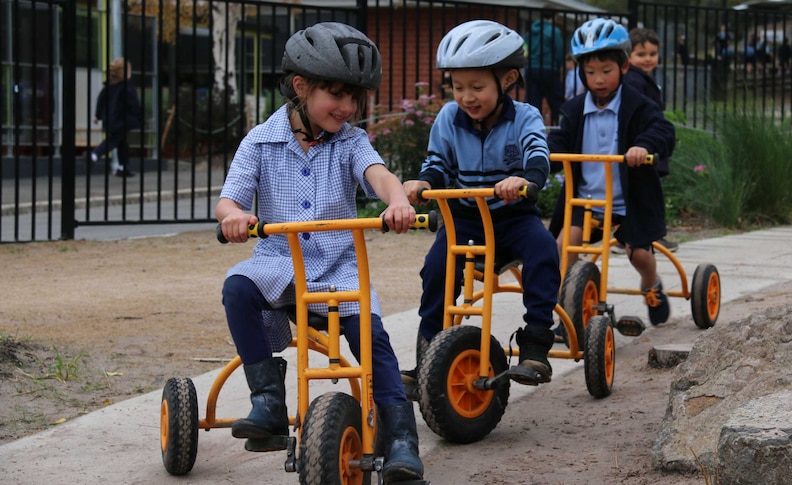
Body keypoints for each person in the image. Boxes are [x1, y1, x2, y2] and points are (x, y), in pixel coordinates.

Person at [215, 22, 423, 483]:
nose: (347, 107)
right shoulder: (260, 140)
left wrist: (398, 200)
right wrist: (234, 216)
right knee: (237, 288)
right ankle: (268, 402)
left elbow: (380, 175)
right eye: (336, 94)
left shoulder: (350, 141)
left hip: (338, 272)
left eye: (355, 97)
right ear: (300, 87)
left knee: (373, 343)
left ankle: (403, 441)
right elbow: (230, 198)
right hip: (278, 267)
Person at [402, 20, 561, 389]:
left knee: (543, 250)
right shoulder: (448, 118)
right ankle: (430, 353)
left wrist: (525, 179)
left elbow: (538, 155)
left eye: (477, 87)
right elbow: (438, 163)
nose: (467, 97)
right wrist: (424, 182)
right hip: (466, 222)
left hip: (513, 218)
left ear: (506, 80)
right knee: (436, 269)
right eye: (458, 87)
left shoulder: (525, 116)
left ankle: (536, 344)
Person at [546, 18, 676, 328]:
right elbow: (560, 139)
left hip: (627, 202)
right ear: (581, 73)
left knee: (639, 256)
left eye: (606, 71)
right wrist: (545, 153)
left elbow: (663, 129)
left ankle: (651, 285)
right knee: (562, 248)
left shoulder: (639, 105)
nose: (598, 79)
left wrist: (643, 146)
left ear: (625, 67)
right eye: (590, 73)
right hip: (585, 202)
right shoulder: (575, 110)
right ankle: (566, 311)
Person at [624, 27, 678, 253]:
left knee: (645, 193)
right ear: (628, 56)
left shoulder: (645, 80)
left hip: (648, 142)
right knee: (646, 195)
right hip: (640, 144)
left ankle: (642, 234)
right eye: (641, 54)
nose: (648, 59)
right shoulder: (635, 82)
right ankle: (651, 236)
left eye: (652, 54)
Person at [92, 57, 142, 178]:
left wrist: (97, 115)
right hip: (121, 120)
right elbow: (133, 103)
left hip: (110, 119)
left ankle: (122, 167)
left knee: (122, 143)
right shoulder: (128, 87)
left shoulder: (110, 86)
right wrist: (138, 116)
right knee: (114, 140)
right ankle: (94, 155)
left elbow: (101, 100)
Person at [525, 11, 565, 125]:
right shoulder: (554, 31)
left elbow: (525, 50)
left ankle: (531, 129)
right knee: (557, 102)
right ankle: (560, 126)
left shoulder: (530, 31)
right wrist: (558, 65)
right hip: (549, 69)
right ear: (554, 17)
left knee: (532, 104)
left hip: (531, 68)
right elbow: (559, 51)